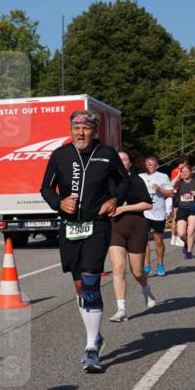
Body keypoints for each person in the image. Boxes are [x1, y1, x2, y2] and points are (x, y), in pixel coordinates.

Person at [40, 110, 126, 373]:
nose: (81, 133)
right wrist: (59, 203)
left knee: (90, 280)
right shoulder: (60, 155)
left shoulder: (107, 154)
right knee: (79, 284)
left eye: (86, 128)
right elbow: (45, 188)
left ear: (94, 131)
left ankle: (90, 347)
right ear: (71, 131)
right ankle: (96, 335)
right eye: (76, 128)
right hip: (69, 227)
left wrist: (114, 200)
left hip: (97, 225)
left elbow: (125, 183)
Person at [108, 151, 157, 322]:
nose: (121, 162)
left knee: (137, 271)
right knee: (118, 268)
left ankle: (145, 288)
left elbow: (148, 204)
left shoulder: (136, 180)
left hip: (136, 226)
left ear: (130, 163)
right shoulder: (108, 180)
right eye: (118, 159)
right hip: (115, 228)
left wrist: (123, 208)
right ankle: (121, 309)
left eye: (124, 159)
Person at [140, 155, 174, 277]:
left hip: (158, 213)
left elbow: (171, 193)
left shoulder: (163, 176)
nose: (148, 166)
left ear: (157, 166)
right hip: (144, 212)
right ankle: (147, 264)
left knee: (158, 241)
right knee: (143, 239)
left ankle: (160, 264)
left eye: (151, 165)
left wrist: (160, 189)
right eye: (147, 164)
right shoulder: (140, 176)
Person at [170, 164, 195, 259]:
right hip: (182, 209)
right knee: (181, 234)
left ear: (191, 172)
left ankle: (189, 252)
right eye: (182, 172)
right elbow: (170, 186)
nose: (184, 173)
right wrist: (178, 175)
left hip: (193, 209)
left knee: (190, 232)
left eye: (186, 171)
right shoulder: (179, 182)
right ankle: (186, 243)